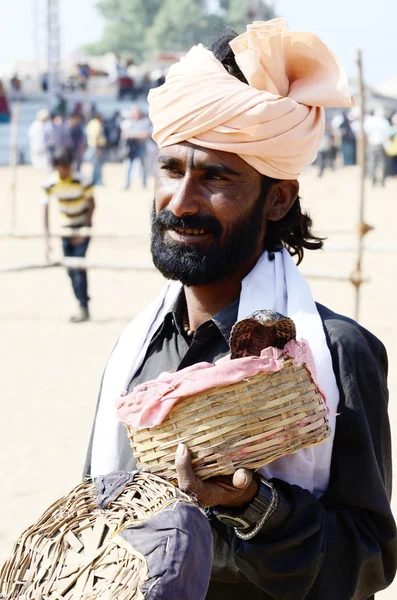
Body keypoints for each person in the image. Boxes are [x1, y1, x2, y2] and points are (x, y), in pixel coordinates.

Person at [83, 19, 396, 599]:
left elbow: (367, 562)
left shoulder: (335, 353)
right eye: (172, 169)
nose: (181, 202)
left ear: (278, 198)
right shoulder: (139, 352)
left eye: (215, 177)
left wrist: (254, 506)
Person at [42, 147, 95, 322]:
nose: (64, 170)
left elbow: (92, 204)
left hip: (82, 226)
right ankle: (82, 300)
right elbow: (45, 210)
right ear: (55, 167)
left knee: (78, 267)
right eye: (61, 167)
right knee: (70, 269)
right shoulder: (51, 183)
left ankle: (83, 307)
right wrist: (47, 238)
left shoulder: (82, 180)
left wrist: (84, 231)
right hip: (65, 228)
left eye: (67, 166)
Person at [120, 106, 151, 189]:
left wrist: (133, 135)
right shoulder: (127, 123)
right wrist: (137, 135)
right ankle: (127, 184)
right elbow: (124, 134)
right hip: (131, 148)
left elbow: (146, 135)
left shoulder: (144, 122)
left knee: (144, 167)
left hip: (141, 147)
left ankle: (144, 185)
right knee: (128, 166)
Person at [364, 109, 390, 186]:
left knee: (371, 162)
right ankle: (382, 181)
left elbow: (365, 131)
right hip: (381, 144)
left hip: (371, 143)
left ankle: (372, 180)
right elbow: (387, 134)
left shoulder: (369, 121)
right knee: (382, 163)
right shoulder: (384, 122)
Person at [86, 113, 106, 185]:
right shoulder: (96, 124)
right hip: (97, 146)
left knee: (96, 164)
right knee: (97, 164)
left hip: (93, 146)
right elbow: (96, 137)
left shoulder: (91, 123)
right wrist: (97, 149)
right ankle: (97, 181)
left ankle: (96, 180)